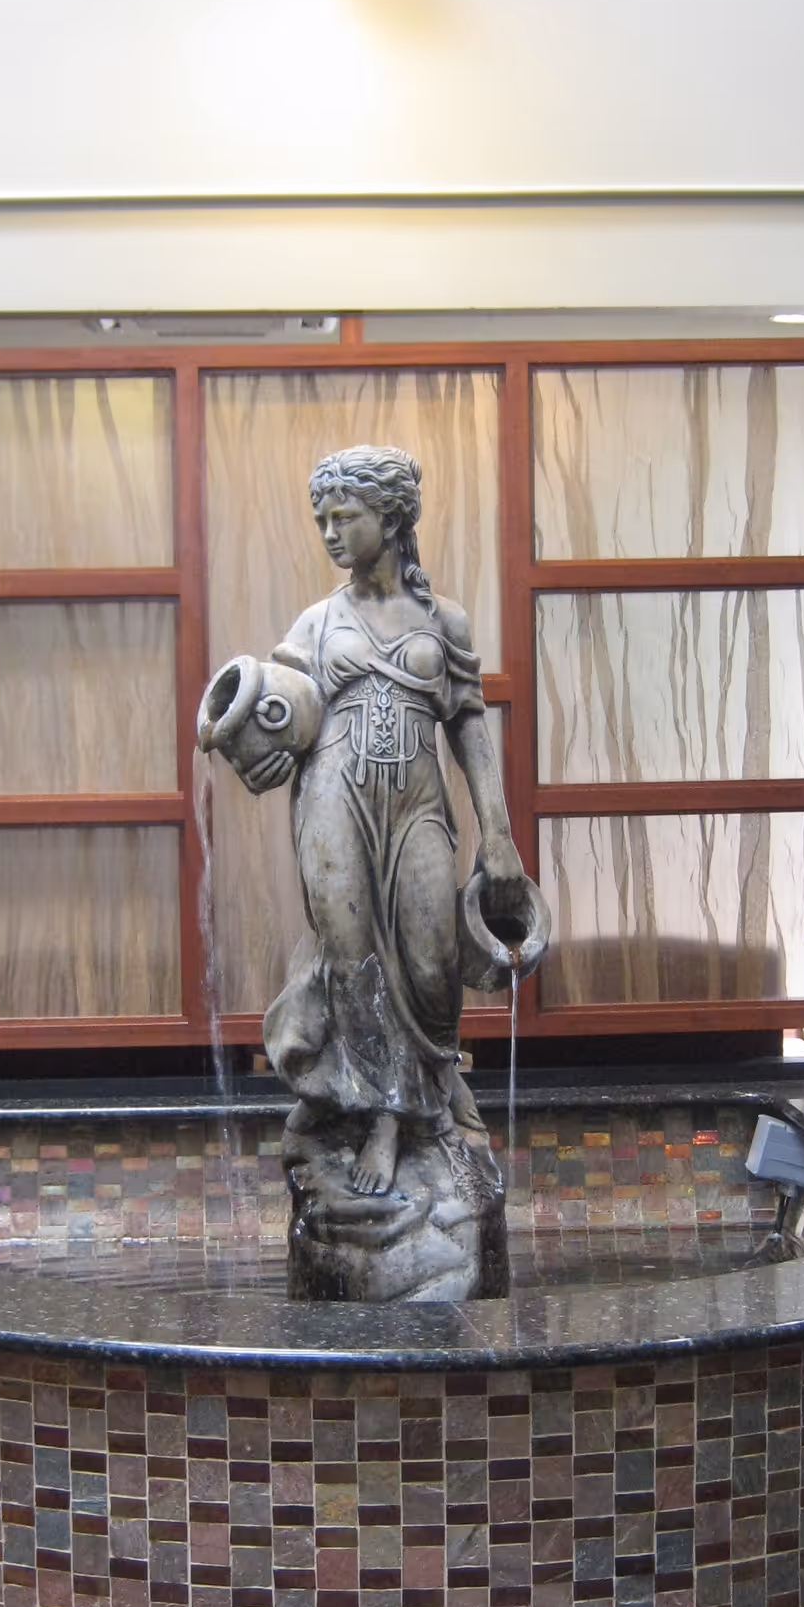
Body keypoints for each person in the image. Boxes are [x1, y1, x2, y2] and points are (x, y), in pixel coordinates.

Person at [239, 444, 530, 1197]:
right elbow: (282, 717)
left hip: (417, 806)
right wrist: (256, 739)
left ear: (391, 518)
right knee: (354, 957)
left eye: (346, 517)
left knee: (433, 958)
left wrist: (497, 833)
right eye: (321, 520)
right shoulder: (315, 622)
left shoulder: (445, 620)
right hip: (335, 798)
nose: (331, 533)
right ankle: (385, 1116)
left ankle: (438, 1075)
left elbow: (469, 725)